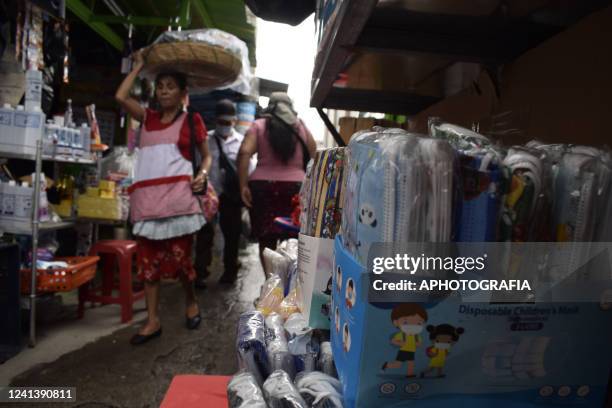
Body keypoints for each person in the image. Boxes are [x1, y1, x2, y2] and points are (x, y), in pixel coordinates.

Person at [115, 51, 211, 345]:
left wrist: (203, 174)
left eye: (171, 86)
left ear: (183, 93)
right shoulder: (147, 118)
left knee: (182, 264)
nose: (165, 91)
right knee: (148, 267)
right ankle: (153, 320)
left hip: (178, 205)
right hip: (147, 206)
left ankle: (191, 300)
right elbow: (120, 96)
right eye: (161, 86)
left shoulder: (192, 120)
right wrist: (141, 67)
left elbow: (206, 157)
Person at [237, 92, 316, 274]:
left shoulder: (259, 125)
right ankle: (291, 284)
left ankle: (271, 285)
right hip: (295, 189)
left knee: (267, 238)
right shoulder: (300, 126)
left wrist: (243, 185)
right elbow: (315, 156)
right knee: (293, 241)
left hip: (263, 188)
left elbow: (244, 153)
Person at [195, 99, 248, 287]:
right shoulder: (206, 140)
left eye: (228, 122)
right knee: (204, 233)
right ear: (215, 120)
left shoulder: (242, 142)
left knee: (232, 235)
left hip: (231, 197)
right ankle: (200, 272)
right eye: (221, 122)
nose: (224, 126)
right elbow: (198, 165)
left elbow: (248, 168)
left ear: (234, 121)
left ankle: (229, 272)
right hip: (209, 194)